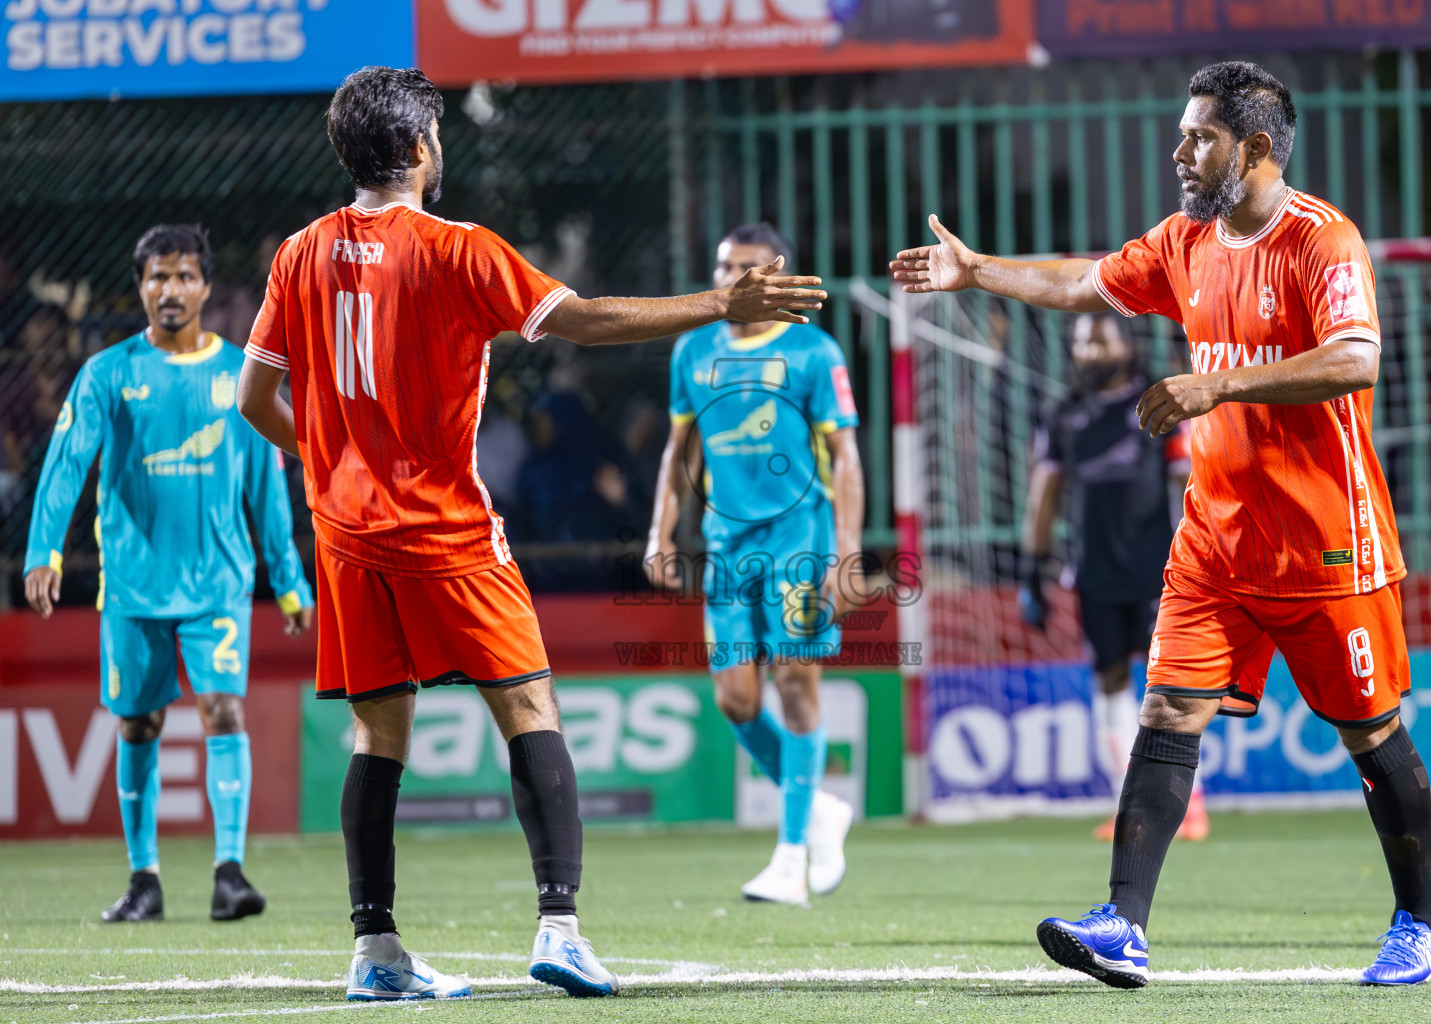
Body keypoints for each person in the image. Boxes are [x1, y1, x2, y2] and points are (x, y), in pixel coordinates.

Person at [235, 66, 826, 1001]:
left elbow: (253, 397)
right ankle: (559, 927)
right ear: (424, 147)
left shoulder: (298, 252)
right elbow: (583, 320)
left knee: (375, 736)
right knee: (528, 708)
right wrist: (723, 304)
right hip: (448, 530)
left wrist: (333, 463)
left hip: (345, 533)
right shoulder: (457, 248)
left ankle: (375, 953)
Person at [892, 61, 1431, 988]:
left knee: (1371, 733)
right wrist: (976, 270)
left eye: (1200, 136)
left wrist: (1219, 381)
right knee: (1166, 710)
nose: (1179, 151)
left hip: (1326, 544)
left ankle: (1422, 922)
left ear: (1258, 147)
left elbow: (1357, 360)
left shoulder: (1323, 241)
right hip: (1214, 544)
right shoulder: (1185, 240)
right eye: (1182, 133)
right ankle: (1122, 924)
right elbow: (1090, 284)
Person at [23, 224, 315, 924]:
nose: (171, 290)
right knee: (140, 725)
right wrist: (44, 550)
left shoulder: (240, 375)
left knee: (222, 709)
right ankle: (144, 879)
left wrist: (290, 579)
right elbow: (67, 463)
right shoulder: (109, 374)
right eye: (158, 277)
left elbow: (267, 489)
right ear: (141, 287)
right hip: (132, 587)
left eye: (185, 277)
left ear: (207, 287)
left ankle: (230, 872)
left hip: (216, 586)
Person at [645, 223, 865, 906]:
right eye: (723, 267)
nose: (732, 279)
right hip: (727, 547)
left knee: (796, 683)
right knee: (735, 699)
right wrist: (660, 532)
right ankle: (821, 809)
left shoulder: (812, 350)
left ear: (775, 276)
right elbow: (678, 451)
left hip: (800, 538)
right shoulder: (693, 349)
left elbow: (848, 460)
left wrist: (848, 551)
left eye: (747, 268)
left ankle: (792, 854)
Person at [1022, 312, 1205, 842]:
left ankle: (1187, 804)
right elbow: (1045, 492)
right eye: (1081, 344)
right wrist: (1034, 568)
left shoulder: (1160, 403)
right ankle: (1125, 803)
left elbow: (1190, 476)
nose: (1090, 352)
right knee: (1108, 680)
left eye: (1100, 342)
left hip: (1162, 570)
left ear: (1126, 345)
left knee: (1171, 687)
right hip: (1095, 572)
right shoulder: (1063, 415)